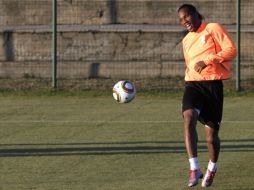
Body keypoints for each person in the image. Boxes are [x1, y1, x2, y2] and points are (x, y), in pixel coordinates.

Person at [177, 4, 237, 187]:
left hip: (213, 87)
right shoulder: (186, 41)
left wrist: (208, 60)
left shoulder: (213, 28)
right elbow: (190, 65)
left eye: (186, 16)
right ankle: (194, 168)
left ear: (195, 14)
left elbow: (231, 50)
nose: (184, 21)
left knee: (211, 138)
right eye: (180, 19)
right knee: (188, 118)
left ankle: (212, 167)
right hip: (193, 85)